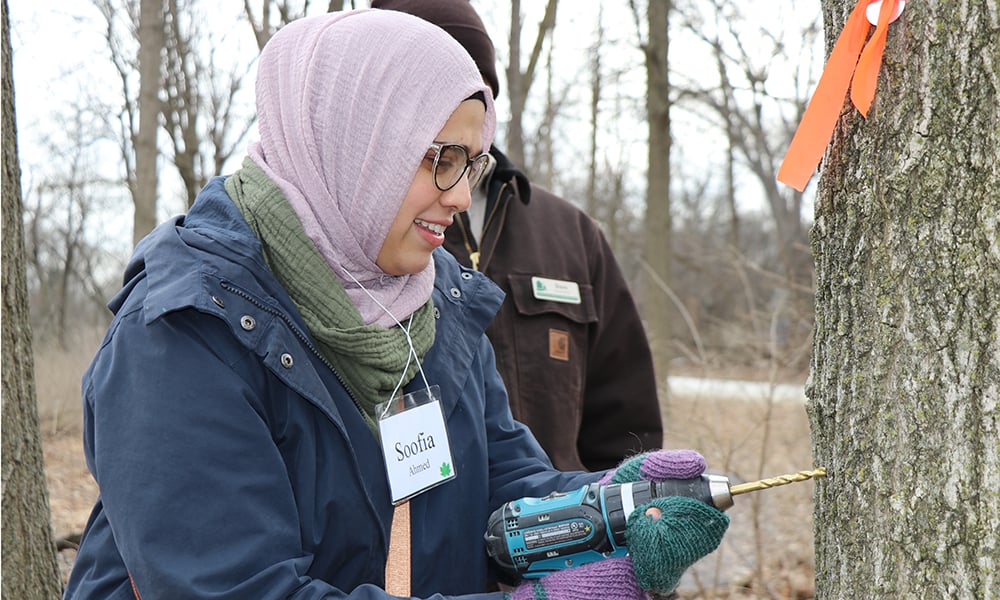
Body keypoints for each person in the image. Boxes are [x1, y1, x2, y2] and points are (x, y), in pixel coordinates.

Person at [63, 9, 727, 600]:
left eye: (473, 162)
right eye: (440, 157)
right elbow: (237, 584)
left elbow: (503, 490)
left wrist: (613, 507)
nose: (463, 195)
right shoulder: (183, 333)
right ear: (355, 143)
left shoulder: (432, 305)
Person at [371, 0, 662, 473]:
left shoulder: (570, 234)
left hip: (558, 534)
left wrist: (615, 528)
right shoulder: (363, 237)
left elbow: (626, 428)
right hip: (417, 538)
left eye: (473, 90)